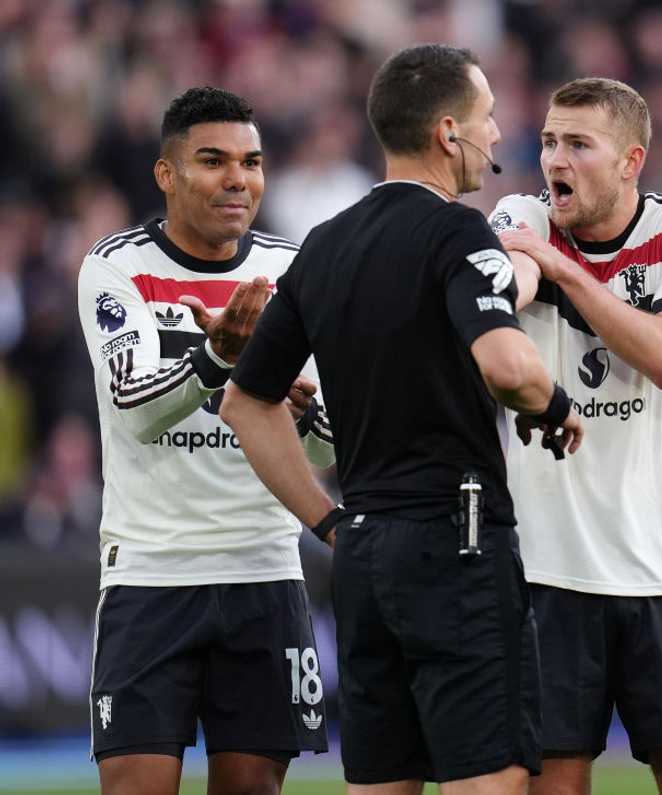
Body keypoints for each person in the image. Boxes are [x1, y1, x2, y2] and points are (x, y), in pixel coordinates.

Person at [219, 44, 582, 795]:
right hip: (458, 541)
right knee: (490, 777)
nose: (496, 134)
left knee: (382, 781)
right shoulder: (458, 233)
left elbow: (244, 402)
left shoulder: (323, 246)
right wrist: (554, 403)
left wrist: (329, 522)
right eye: (486, 119)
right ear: (448, 133)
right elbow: (507, 366)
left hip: (363, 552)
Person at [488, 78, 662, 795]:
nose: (553, 160)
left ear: (632, 160)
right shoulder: (523, 215)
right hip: (548, 571)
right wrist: (506, 283)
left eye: (578, 144)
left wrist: (566, 270)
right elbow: (510, 283)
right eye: (546, 142)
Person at [77, 87, 335, 795]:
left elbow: (329, 446)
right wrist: (220, 360)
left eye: (251, 162)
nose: (238, 179)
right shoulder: (116, 267)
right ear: (167, 175)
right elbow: (135, 407)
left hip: (263, 571)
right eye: (213, 160)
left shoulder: (293, 270)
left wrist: (303, 409)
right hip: (151, 574)